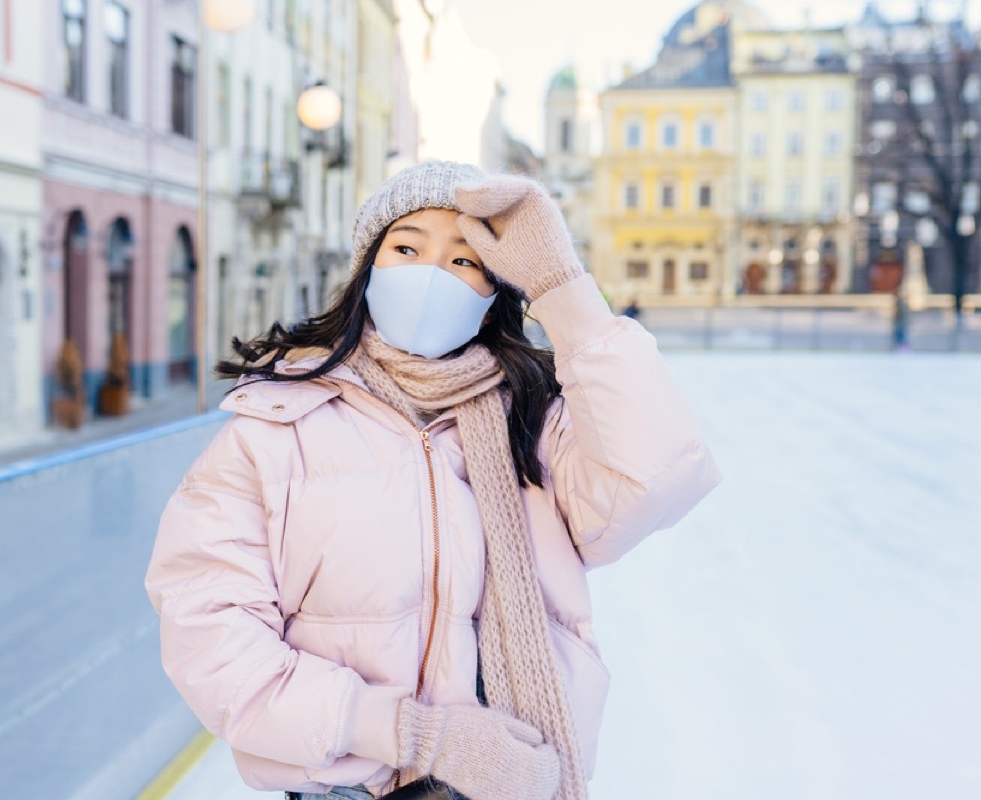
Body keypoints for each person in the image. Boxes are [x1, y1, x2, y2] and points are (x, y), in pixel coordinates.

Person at [145, 161, 721, 800]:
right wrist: (412, 734)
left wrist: (564, 290)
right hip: (343, 789)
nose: (430, 274)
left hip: (515, 779)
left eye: (464, 260)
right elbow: (212, 638)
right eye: (407, 248)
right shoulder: (273, 428)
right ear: (368, 268)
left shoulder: (535, 421)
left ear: (494, 291)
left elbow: (655, 479)